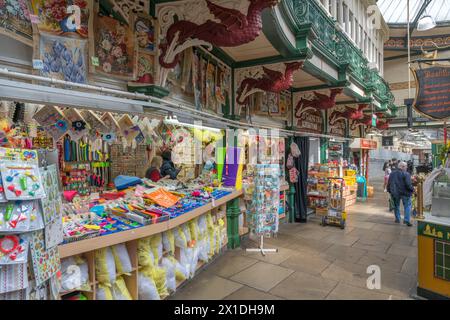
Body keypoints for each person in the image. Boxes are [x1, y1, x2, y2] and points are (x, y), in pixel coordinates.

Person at [387, 161, 414, 226]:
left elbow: (389, 183)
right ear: (402, 167)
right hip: (405, 193)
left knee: (396, 206)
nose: (407, 167)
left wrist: (389, 190)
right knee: (407, 206)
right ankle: (406, 220)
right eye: (406, 166)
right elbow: (408, 184)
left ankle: (398, 219)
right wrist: (413, 189)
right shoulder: (406, 174)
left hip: (395, 193)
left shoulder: (392, 173)